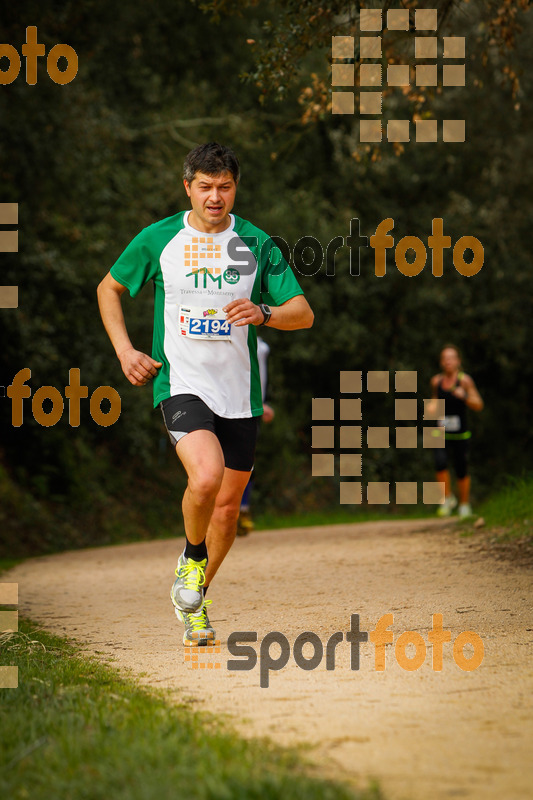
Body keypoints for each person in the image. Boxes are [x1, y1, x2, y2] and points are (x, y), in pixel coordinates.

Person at [97, 142, 314, 647]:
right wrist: (126, 351)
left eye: (225, 187)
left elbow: (302, 313)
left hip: (239, 393)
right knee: (207, 476)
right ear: (188, 187)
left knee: (229, 508)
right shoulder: (159, 239)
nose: (215, 197)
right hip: (182, 383)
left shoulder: (258, 244)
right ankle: (192, 560)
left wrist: (264, 313)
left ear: (235, 187)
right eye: (205, 186)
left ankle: (194, 600)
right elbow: (109, 289)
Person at [428, 344, 483, 518]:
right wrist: (431, 408)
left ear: (458, 361)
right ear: (441, 362)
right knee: (439, 463)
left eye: (451, 358)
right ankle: (447, 499)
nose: (447, 361)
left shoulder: (465, 381)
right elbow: (435, 402)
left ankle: (464, 504)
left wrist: (464, 396)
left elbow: (478, 405)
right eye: (444, 358)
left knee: (461, 468)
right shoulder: (436, 381)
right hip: (440, 431)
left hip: (460, 432)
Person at [237, 335, 274, 536]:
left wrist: (261, 403)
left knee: (244, 463)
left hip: (250, 407)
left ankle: (242, 511)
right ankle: (227, 513)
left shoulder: (260, 344)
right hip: (225, 405)